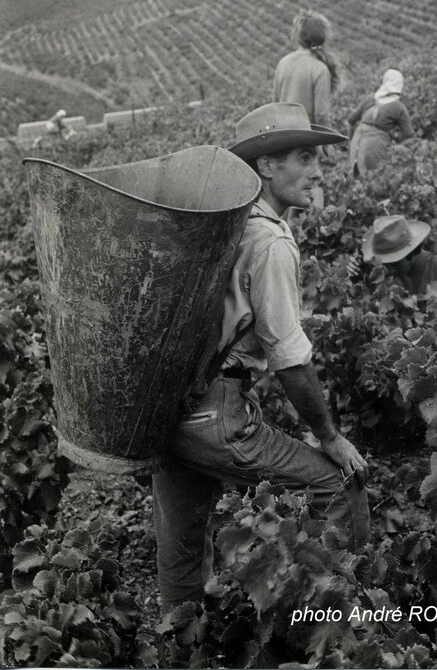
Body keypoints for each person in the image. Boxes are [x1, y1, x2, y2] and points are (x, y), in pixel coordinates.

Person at [152, 103, 370, 611]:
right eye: (303, 156)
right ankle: (335, 620)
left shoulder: (224, 222)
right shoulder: (270, 242)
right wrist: (329, 437)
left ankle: (181, 648)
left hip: (167, 406)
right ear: (267, 167)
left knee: (181, 553)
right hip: (216, 415)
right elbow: (291, 361)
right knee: (338, 485)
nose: (317, 170)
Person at [350, 214, 437, 304]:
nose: (388, 269)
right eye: (384, 262)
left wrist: (426, 299)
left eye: (393, 262)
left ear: (410, 253)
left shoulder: (436, 263)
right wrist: (355, 278)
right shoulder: (390, 269)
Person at [272, 11, 340, 129]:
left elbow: (274, 104)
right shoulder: (319, 69)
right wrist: (326, 144)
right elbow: (321, 115)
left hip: (283, 136)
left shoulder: (283, 62)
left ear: (298, 36)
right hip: (306, 138)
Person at [347, 69, 414, 176]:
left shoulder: (369, 98)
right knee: (374, 178)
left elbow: (351, 121)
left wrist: (350, 141)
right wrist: (398, 149)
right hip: (375, 146)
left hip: (357, 141)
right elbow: (409, 136)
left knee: (356, 177)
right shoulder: (399, 107)